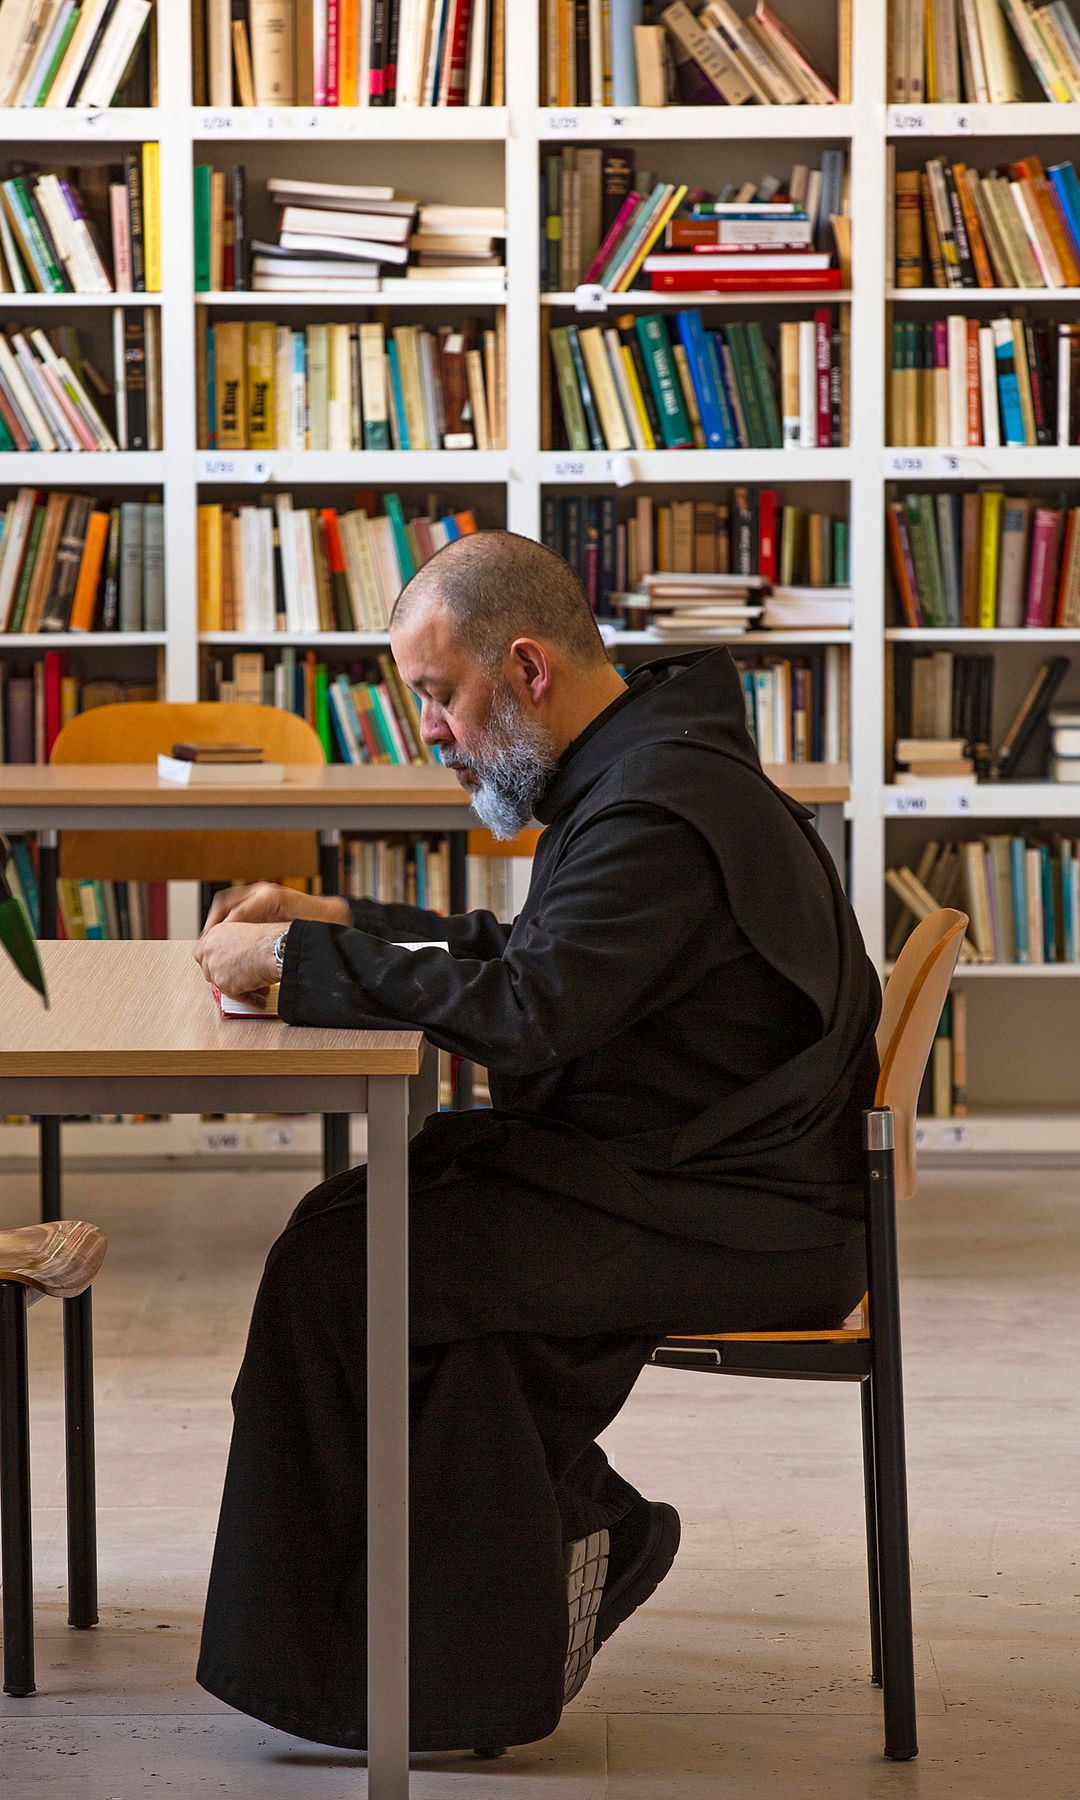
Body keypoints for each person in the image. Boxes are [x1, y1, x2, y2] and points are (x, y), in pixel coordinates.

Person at [193, 530, 880, 1756]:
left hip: (739, 1219)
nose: (430, 732)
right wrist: (337, 917)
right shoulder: (648, 768)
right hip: (689, 1181)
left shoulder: (659, 808)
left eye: (437, 694)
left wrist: (298, 961)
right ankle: (475, 1621)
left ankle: (421, 1653)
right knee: (359, 1234)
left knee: (355, 1269)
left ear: (526, 667)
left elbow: (530, 1009)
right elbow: (536, 958)